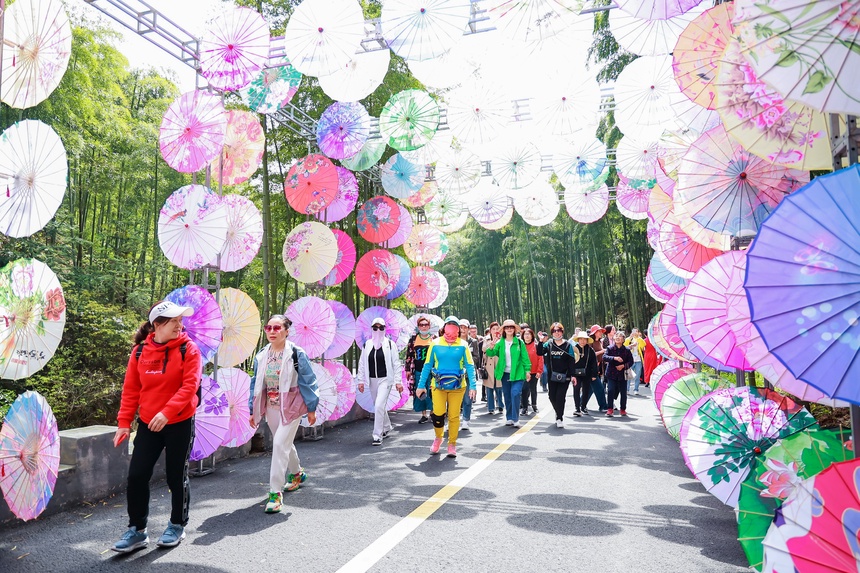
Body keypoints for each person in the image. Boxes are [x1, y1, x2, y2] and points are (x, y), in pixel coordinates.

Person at [112, 300, 202, 552]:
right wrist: (123, 423)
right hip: (148, 423)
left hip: (180, 422)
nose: (180, 325)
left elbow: (190, 386)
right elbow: (131, 390)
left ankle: (177, 524)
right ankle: (137, 531)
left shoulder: (189, 349)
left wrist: (167, 412)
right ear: (157, 325)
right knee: (137, 475)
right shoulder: (139, 352)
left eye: (180, 321)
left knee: (176, 475)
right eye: (174, 321)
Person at [249, 314, 320, 513]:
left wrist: (312, 407)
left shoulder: (296, 353)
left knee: (279, 444)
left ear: (287, 331)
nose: (272, 331)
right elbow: (255, 383)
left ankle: (275, 493)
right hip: (271, 406)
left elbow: (309, 380)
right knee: (285, 444)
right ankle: (297, 473)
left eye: (277, 328)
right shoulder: (262, 355)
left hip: (292, 406)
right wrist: (251, 409)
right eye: (268, 328)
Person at [416, 316, 478, 457]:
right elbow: (427, 365)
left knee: (454, 416)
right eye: (449, 324)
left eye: (454, 325)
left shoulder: (463, 345)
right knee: (438, 414)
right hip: (438, 386)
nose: (452, 327)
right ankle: (438, 438)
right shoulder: (435, 343)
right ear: (444, 327)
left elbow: (469, 365)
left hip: (458, 387)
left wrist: (473, 386)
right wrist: (421, 386)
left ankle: (452, 444)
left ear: (458, 329)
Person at [357, 317, 404, 446]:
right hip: (372, 380)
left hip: (385, 380)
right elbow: (362, 364)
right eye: (375, 328)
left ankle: (377, 435)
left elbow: (396, 363)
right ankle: (387, 426)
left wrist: (398, 381)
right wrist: (361, 380)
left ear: (385, 329)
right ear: (372, 329)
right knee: (378, 406)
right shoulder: (367, 345)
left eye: (381, 328)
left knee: (378, 405)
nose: (378, 330)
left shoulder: (390, 344)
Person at [485, 319, 531, 428]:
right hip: (504, 373)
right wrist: (491, 346)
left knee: (515, 393)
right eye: (507, 327)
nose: (509, 329)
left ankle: (515, 418)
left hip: (518, 373)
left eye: (511, 327)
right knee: (507, 395)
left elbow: (525, 358)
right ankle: (509, 417)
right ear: (504, 330)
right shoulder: (500, 342)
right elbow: (491, 353)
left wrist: (527, 370)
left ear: (514, 329)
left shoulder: (520, 342)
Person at [537, 323, 576, 428]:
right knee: (551, 396)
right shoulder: (548, 344)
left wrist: (573, 375)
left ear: (562, 332)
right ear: (552, 333)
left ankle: (559, 417)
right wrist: (541, 341)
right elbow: (539, 352)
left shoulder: (568, 345)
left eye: (559, 330)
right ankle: (558, 411)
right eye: (554, 330)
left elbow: (571, 361)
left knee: (560, 396)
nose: (557, 332)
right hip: (552, 376)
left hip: (565, 375)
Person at [406, 316, 435, 424]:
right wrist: (408, 369)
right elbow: (409, 355)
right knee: (420, 390)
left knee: (432, 390)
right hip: (418, 369)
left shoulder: (434, 338)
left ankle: (433, 412)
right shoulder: (413, 339)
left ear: (429, 326)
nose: (423, 327)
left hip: (432, 370)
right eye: (421, 325)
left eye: (426, 325)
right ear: (418, 327)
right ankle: (424, 414)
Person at [604, 331, 634, 417]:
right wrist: (614, 358)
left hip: (622, 374)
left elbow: (631, 362)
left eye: (620, 336)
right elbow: (604, 357)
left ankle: (623, 409)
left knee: (623, 392)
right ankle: (610, 409)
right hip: (611, 373)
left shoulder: (627, 350)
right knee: (610, 390)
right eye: (616, 335)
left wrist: (623, 366)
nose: (617, 337)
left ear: (623, 339)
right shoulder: (609, 348)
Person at [570, 329, 599, 417]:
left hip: (587, 373)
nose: (582, 341)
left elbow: (594, 362)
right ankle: (577, 408)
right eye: (581, 339)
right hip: (575, 373)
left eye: (584, 339)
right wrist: (571, 374)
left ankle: (583, 406)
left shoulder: (590, 350)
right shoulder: (574, 349)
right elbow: (569, 362)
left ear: (587, 340)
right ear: (578, 340)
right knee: (576, 389)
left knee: (586, 390)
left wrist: (594, 374)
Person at [583, 324, 608, 414]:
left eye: (601, 331)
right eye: (599, 331)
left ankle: (580, 404)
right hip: (591, 369)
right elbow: (589, 356)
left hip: (598, 367)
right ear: (594, 333)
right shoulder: (590, 342)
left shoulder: (599, 342)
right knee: (600, 388)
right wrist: (602, 351)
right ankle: (603, 406)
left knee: (590, 389)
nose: (601, 333)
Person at [459, 319, 479, 430]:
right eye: (460, 327)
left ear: (468, 329)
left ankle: (466, 419)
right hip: (455, 374)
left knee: (467, 399)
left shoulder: (473, 341)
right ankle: (454, 420)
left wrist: (467, 363)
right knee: (454, 400)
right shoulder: (454, 340)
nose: (463, 330)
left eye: (465, 327)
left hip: (468, 374)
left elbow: (476, 357)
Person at [481, 322, 503, 414]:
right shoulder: (487, 339)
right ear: (490, 330)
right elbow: (483, 349)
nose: (495, 331)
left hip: (499, 364)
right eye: (493, 329)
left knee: (499, 387)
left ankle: (500, 405)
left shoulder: (502, 339)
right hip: (489, 366)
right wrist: (491, 343)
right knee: (489, 387)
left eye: (497, 329)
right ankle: (491, 407)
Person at [520, 328, 542, 415]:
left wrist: (539, 371)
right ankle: (524, 407)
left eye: (529, 334)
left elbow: (540, 359)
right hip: (524, 372)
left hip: (534, 371)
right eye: (525, 334)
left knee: (533, 389)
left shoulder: (536, 346)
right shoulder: (520, 346)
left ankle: (534, 405)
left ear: (532, 336)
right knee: (524, 390)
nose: (527, 336)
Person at [625, 328, 646, 395]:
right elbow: (625, 345)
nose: (635, 333)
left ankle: (636, 389)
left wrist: (639, 337)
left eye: (636, 331)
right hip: (630, 360)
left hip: (638, 360)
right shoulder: (629, 339)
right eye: (634, 331)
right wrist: (630, 337)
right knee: (629, 375)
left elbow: (643, 345)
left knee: (637, 375)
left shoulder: (640, 339)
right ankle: (627, 389)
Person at [468, 324, 484, 402]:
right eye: (472, 331)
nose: (473, 333)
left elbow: (479, 355)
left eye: (475, 331)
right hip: (470, 363)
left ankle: (474, 396)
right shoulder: (467, 341)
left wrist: (479, 366)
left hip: (477, 362)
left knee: (474, 381)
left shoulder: (480, 339)